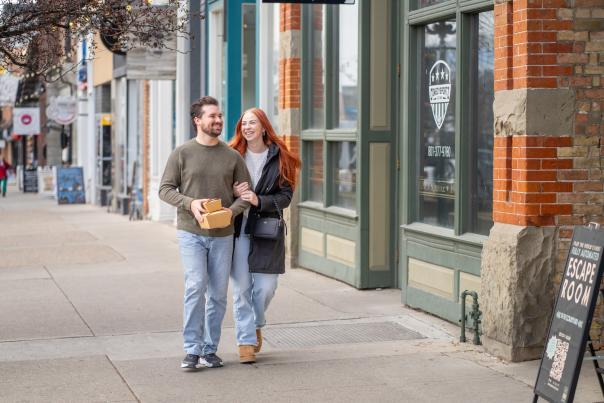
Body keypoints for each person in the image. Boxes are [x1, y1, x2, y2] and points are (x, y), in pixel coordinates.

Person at [159, 96, 251, 370]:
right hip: (190, 232)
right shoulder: (182, 154)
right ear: (197, 120)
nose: (218, 120)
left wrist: (230, 212)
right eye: (212, 116)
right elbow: (165, 189)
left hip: (223, 235)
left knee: (219, 294)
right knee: (195, 285)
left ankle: (210, 349)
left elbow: (245, 196)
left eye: (220, 115)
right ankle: (191, 349)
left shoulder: (232, 156)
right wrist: (191, 203)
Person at [229, 108, 301, 363]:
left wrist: (258, 199)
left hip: (266, 231)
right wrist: (234, 193)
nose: (247, 127)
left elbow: (285, 197)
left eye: (253, 122)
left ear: (263, 127)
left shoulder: (280, 157)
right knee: (241, 289)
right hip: (236, 231)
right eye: (244, 123)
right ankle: (246, 341)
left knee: (265, 288)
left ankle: (256, 322)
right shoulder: (232, 154)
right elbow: (217, 189)